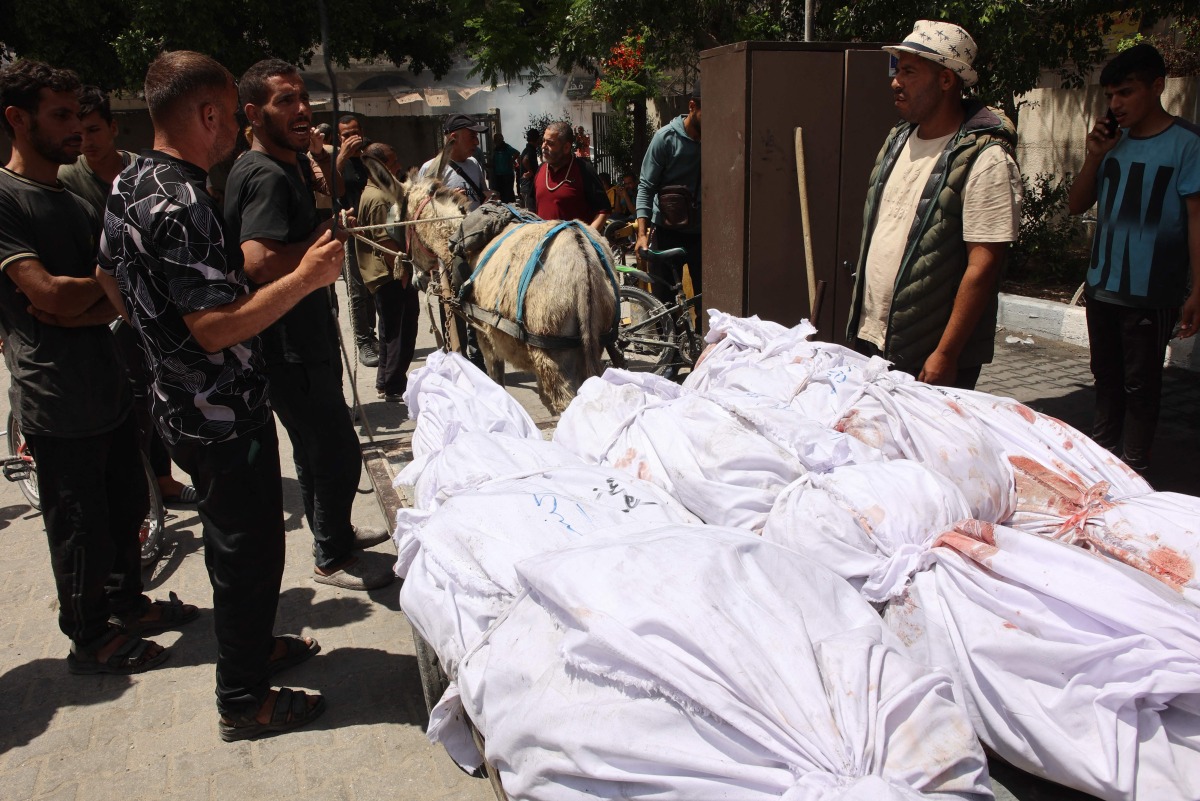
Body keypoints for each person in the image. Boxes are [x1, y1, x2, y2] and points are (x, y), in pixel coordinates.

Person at [96, 50, 342, 740]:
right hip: (222, 416)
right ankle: (243, 698)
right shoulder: (183, 202)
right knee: (248, 553)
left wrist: (158, 349)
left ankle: (252, 645)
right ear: (208, 114)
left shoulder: (130, 183)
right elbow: (211, 330)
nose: (238, 127)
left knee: (237, 548)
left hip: (183, 408)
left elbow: (109, 277)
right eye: (234, 114)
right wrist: (307, 277)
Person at [0, 59, 198, 677]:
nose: (74, 131)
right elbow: (49, 295)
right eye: (58, 116)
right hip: (57, 398)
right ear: (16, 118)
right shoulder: (6, 200)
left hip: (108, 382)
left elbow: (103, 293)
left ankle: (128, 604)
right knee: (79, 526)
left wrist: (89, 296)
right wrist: (98, 292)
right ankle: (89, 639)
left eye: (78, 117)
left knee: (125, 505)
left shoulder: (72, 198)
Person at [225, 58, 391, 591]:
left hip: (303, 338)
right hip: (287, 345)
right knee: (334, 450)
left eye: (302, 98)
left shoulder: (288, 164)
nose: (302, 110)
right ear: (253, 113)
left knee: (320, 447)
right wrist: (322, 244)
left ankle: (335, 532)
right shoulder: (264, 174)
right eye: (285, 102)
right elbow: (258, 261)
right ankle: (330, 555)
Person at [845, 20, 1021, 391]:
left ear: (946, 80)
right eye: (896, 70)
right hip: (873, 335)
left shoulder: (986, 159)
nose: (895, 81)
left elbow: (983, 266)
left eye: (909, 71)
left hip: (928, 354)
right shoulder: (898, 139)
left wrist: (947, 353)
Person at [58, 85, 196, 505]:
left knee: (157, 394)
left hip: (151, 304)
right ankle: (139, 490)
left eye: (95, 129)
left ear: (114, 128)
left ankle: (161, 479)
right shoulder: (69, 179)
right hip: (110, 303)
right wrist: (128, 315)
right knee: (133, 400)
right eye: (79, 131)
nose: (87, 140)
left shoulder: (137, 170)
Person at [1067, 43, 1200, 472]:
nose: (1115, 104)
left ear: (1157, 87)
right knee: (1105, 379)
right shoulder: (1110, 144)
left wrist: (1198, 289)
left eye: (1125, 92)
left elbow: (1197, 219)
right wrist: (1094, 156)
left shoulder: (1187, 144)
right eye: (1109, 95)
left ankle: (1134, 469)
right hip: (1103, 284)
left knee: (1141, 384)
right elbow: (1075, 204)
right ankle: (1101, 465)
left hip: (1152, 289)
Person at [357, 142, 420, 403]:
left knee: (388, 329)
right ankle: (394, 384)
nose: (398, 165)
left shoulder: (375, 193)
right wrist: (402, 271)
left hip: (383, 274)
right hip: (389, 274)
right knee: (400, 331)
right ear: (379, 166)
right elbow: (385, 241)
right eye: (392, 161)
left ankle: (385, 379)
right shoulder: (379, 198)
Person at [636, 83, 702, 307]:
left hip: (701, 236)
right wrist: (642, 235)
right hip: (666, 232)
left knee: (707, 303)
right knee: (664, 304)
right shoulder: (665, 139)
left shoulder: (716, 140)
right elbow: (645, 186)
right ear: (692, 106)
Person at [335, 114, 380, 367]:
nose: (352, 138)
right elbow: (328, 185)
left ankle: (372, 336)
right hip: (350, 233)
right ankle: (363, 341)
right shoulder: (335, 161)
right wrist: (341, 156)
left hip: (375, 231)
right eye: (345, 135)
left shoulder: (370, 157)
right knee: (357, 291)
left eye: (355, 132)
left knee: (374, 286)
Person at [534, 121, 610, 229]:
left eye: (550, 143)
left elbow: (603, 210)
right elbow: (533, 208)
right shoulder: (541, 170)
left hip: (573, 244)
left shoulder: (584, 170)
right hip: (542, 243)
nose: (543, 146)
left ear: (566, 147)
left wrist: (588, 239)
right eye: (543, 141)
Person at [419, 112, 491, 211]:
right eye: (472, 136)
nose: (477, 142)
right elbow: (420, 207)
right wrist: (448, 199)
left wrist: (491, 196)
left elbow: (484, 194)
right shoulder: (430, 168)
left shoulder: (474, 163)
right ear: (454, 138)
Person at [490, 132, 520, 203]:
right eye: (495, 140)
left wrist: (511, 161)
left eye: (498, 139)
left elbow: (517, 153)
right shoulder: (496, 149)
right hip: (498, 175)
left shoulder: (506, 147)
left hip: (507, 174)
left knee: (508, 193)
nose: (497, 141)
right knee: (500, 193)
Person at [519, 126, 540, 209]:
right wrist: (530, 171)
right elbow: (525, 160)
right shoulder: (531, 150)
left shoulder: (527, 149)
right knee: (530, 208)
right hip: (528, 183)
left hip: (526, 183)